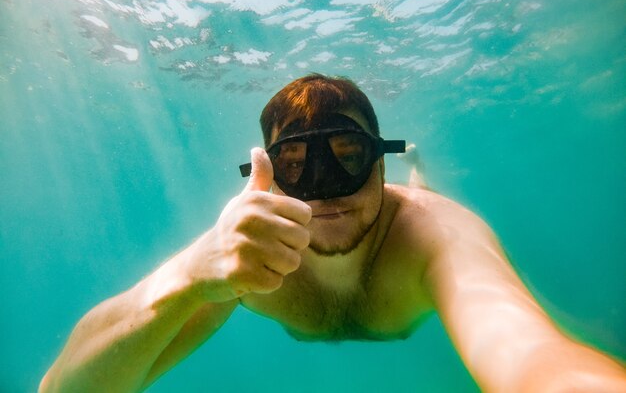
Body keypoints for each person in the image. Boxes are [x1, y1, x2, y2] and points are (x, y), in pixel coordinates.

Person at [40, 74, 626, 392]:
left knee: (432, 199)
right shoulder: (242, 258)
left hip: (415, 210)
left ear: (379, 163)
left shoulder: (435, 236)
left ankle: (423, 175)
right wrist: (192, 275)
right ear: (267, 180)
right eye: (295, 165)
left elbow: (534, 354)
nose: (324, 191)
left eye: (348, 156)